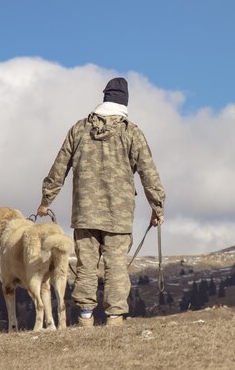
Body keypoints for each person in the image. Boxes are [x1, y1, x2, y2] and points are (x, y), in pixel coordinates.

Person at [37, 77, 165, 327]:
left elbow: (59, 167)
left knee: (86, 267)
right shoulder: (131, 132)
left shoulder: (79, 129)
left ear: (104, 98)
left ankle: (85, 320)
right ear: (125, 103)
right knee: (116, 268)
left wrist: (46, 200)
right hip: (118, 214)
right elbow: (149, 173)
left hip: (84, 212)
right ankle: (114, 320)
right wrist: (157, 207)